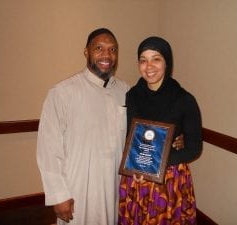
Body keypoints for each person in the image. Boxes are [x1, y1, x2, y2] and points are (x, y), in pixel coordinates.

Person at [37, 28, 130, 225]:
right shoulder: (62, 93)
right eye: (99, 48)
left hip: (115, 186)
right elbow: (48, 149)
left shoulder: (126, 91)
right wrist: (58, 195)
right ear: (86, 52)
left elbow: (141, 133)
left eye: (112, 49)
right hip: (78, 189)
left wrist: (174, 139)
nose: (107, 55)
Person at [118, 36, 202, 225]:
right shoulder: (132, 95)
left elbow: (194, 148)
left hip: (169, 179)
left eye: (156, 58)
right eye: (143, 60)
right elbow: (131, 138)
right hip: (136, 178)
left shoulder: (184, 99)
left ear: (167, 62)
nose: (149, 66)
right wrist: (136, 166)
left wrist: (157, 165)